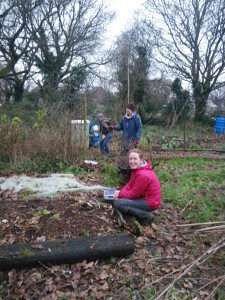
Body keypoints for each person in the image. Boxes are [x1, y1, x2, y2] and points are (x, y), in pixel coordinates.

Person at [113, 149, 161, 225]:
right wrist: (120, 192)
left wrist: (119, 194)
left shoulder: (143, 174)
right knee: (120, 199)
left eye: (135, 159)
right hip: (144, 197)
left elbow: (134, 194)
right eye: (130, 159)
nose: (132, 161)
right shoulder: (137, 169)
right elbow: (129, 185)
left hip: (150, 203)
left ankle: (146, 216)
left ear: (141, 160)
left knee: (119, 203)